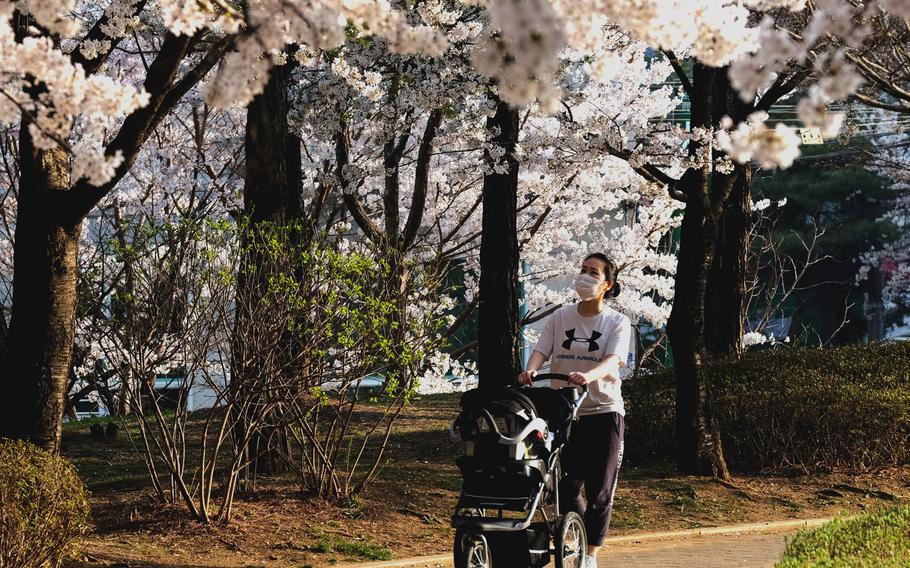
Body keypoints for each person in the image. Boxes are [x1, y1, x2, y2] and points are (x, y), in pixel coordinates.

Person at [517, 252, 631, 568]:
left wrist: (589, 376)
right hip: (564, 413)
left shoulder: (617, 322)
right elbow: (542, 350)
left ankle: (590, 555)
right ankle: (577, 536)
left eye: (593, 272)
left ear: (607, 284)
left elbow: (612, 361)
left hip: (603, 412)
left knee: (600, 493)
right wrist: (531, 370)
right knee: (564, 488)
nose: (585, 276)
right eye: (582, 269)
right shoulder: (562, 317)